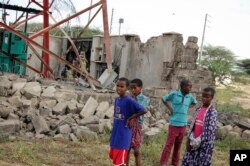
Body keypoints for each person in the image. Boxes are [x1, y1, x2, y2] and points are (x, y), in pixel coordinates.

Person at [109, 77, 147, 166]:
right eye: (117, 86)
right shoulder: (117, 100)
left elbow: (144, 110)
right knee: (119, 161)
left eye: (122, 86)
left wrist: (131, 118)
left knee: (122, 161)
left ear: (126, 88)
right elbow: (116, 119)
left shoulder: (129, 100)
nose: (119, 88)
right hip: (116, 136)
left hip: (124, 136)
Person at [160, 79, 197, 166]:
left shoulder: (190, 96)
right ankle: (163, 162)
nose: (191, 88)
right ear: (183, 87)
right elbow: (164, 99)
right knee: (169, 145)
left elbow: (194, 102)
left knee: (178, 145)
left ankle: (175, 162)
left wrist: (187, 106)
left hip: (183, 125)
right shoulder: (174, 94)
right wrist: (170, 109)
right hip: (174, 124)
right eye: (189, 86)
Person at [182, 87, 217, 166]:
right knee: (189, 160)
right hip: (193, 141)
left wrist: (199, 143)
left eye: (207, 97)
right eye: (203, 96)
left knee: (201, 162)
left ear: (212, 97)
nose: (204, 98)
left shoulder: (212, 112)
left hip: (204, 145)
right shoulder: (198, 110)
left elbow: (210, 132)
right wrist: (189, 140)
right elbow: (192, 126)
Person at [127, 78, 150, 166]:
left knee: (136, 150)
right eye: (131, 88)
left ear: (140, 88)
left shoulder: (144, 99)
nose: (132, 90)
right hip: (129, 126)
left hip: (137, 126)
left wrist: (133, 117)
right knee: (127, 148)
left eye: (135, 88)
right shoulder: (129, 98)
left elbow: (142, 110)